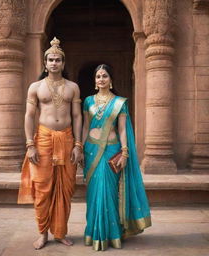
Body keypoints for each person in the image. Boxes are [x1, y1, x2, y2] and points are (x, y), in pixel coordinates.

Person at [18, 37, 83, 250]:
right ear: (45, 63)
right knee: (42, 188)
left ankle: (60, 232)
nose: (54, 63)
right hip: (43, 139)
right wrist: (30, 144)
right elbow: (29, 115)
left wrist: (78, 144)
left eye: (58, 60)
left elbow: (77, 117)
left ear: (63, 63)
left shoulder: (73, 87)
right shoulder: (35, 87)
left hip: (66, 139)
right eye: (50, 60)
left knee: (65, 188)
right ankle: (43, 233)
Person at [82, 64, 151, 251]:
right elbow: (86, 127)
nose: (101, 79)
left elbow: (122, 129)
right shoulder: (88, 101)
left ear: (111, 80)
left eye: (105, 76)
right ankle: (94, 233)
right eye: (98, 76)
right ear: (95, 81)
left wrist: (126, 152)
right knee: (94, 194)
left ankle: (112, 235)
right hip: (91, 150)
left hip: (112, 151)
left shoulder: (120, 102)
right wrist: (80, 148)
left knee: (109, 193)